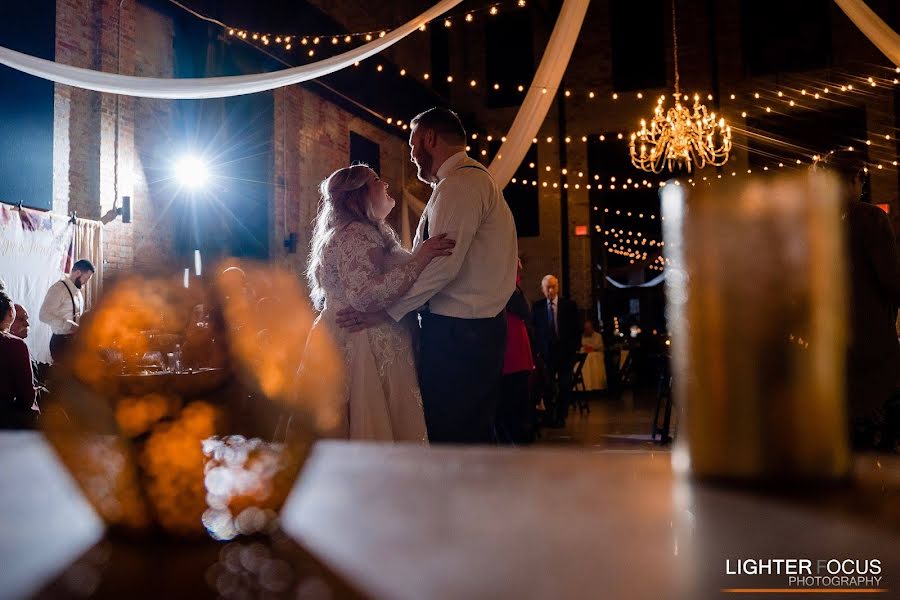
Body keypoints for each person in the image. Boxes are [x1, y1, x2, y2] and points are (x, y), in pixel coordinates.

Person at [336, 107, 519, 444]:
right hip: (464, 331)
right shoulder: (460, 182)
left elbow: (442, 268)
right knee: (461, 431)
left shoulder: (461, 184)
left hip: (461, 334)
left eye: (411, 144)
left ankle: (459, 497)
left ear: (430, 139)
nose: (411, 154)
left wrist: (385, 312)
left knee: (456, 435)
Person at [306, 163, 455, 441]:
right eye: (376, 180)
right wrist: (421, 257)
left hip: (365, 336)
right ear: (357, 196)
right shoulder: (355, 234)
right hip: (363, 343)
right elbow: (363, 295)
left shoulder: (366, 232)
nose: (385, 184)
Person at [814, 150, 900, 449]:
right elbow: (892, 280)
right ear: (853, 180)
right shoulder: (870, 217)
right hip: (871, 343)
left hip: (831, 345)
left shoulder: (813, 223)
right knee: (881, 444)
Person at [532, 275, 581, 428]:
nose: (551, 290)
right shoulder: (537, 307)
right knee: (548, 386)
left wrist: (574, 349)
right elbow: (535, 331)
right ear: (542, 290)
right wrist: (538, 352)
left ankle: (561, 416)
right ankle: (549, 416)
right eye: (548, 287)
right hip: (547, 354)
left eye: (553, 286)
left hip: (565, 353)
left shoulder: (569, 305)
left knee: (565, 385)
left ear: (558, 287)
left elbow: (576, 329)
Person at [497, 260, 535, 445]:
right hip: (511, 350)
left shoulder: (507, 284)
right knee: (513, 411)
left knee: (514, 413)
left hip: (512, 351)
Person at [39, 258, 95, 362]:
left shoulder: (77, 291)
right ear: (78, 273)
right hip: (61, 343)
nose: (86, 283)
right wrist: (68, 324)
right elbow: (43, 315)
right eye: (86, 279)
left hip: (74, 342)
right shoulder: (58, 289)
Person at [0, 291, 38, 429]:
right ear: (11, 313)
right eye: (21, 319)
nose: (27, 324)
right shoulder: (15, 346)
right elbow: (26, 398)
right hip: (8, 423)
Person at [580, 320, 607, 391]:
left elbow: (599, 347)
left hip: (597, 356)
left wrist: (591, 348)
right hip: (587, 355)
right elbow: (583, 346)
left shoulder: (598, 336)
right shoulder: (583, 336)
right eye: (585, 328)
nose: (587, 330)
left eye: (588, 328)